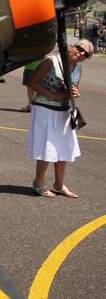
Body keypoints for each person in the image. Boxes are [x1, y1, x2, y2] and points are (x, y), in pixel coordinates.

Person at [26, 39, 91, 198]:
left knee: (63, 148)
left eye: (86, 54)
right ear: (71, 46)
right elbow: (32, 82)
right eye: (79, 48)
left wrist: (75, 92)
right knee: (47, 147)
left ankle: (59, 184)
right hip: (45, 109)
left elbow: (73, 86)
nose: (81, 53)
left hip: (64, 111)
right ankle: (38, 182)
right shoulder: (51, 61)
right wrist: (55, 96)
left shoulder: (78, 67)